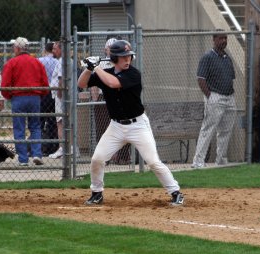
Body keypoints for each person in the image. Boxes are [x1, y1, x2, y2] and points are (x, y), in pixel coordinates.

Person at [77, 40, 184, 206]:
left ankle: (176, 192)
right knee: (97, 159)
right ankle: (96, 193)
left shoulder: (133, 74)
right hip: (116, 127)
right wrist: (88, 68)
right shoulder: (104, 72)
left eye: (128, 56)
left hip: (138, 126)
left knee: (153, 161)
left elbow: (113, 83)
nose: (127, 60)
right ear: (114, 58)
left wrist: (97, 67)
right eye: (122, 57)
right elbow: (81, 84)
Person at [1, 37, 49, 166]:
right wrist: (40, 95)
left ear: (17, 48)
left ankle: (23, 159)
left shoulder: (12, 63)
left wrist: (8, 96)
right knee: (35, 126)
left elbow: (5, 84)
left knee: (19, 128)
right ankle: (37, 154)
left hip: (18, 97)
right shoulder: (37, 62)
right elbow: (45, 83)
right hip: (35, 97)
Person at [191, 32, 236, 168]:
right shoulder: (207, 57)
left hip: (229, 97)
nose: (224, 41)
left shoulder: (227, 57)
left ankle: (221, 159)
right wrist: (209, 96)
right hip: (215, 96)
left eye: (226, 38)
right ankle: (198, 161)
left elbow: (231, 78)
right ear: (214, 39)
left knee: (225, 130)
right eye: (221, 38)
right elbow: (201, 79)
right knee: (208, 129)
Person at [93, 37, 131, 165]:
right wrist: (95, 99)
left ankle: (124, 157)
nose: (110, 52)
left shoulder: (122, 64)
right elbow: (93, 84)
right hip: (103, 97)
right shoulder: (101, 63)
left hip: (120, 98)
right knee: (102, 128)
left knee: (123, 127)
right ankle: (105, 158)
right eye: (109, 49)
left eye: (113, 49)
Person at [48, 41, 79, 159]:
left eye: (55, 48)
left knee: (60, 122)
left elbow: (61, 79)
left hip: (63, 97)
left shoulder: (62, 61)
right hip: (69, 95)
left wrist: (60, 93)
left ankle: (63, 148)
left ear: (62, 49)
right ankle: (71, 148)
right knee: (68, 122)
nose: (53, 51)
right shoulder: (69, 60)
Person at [38, 42, 59, 156]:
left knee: (40, 120)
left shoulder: (39, 60)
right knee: (52, 120)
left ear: (45, 50)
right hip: (54, 92)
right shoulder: (58, 62)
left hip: (42, 92)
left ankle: (39, 148)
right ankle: (52, 147)